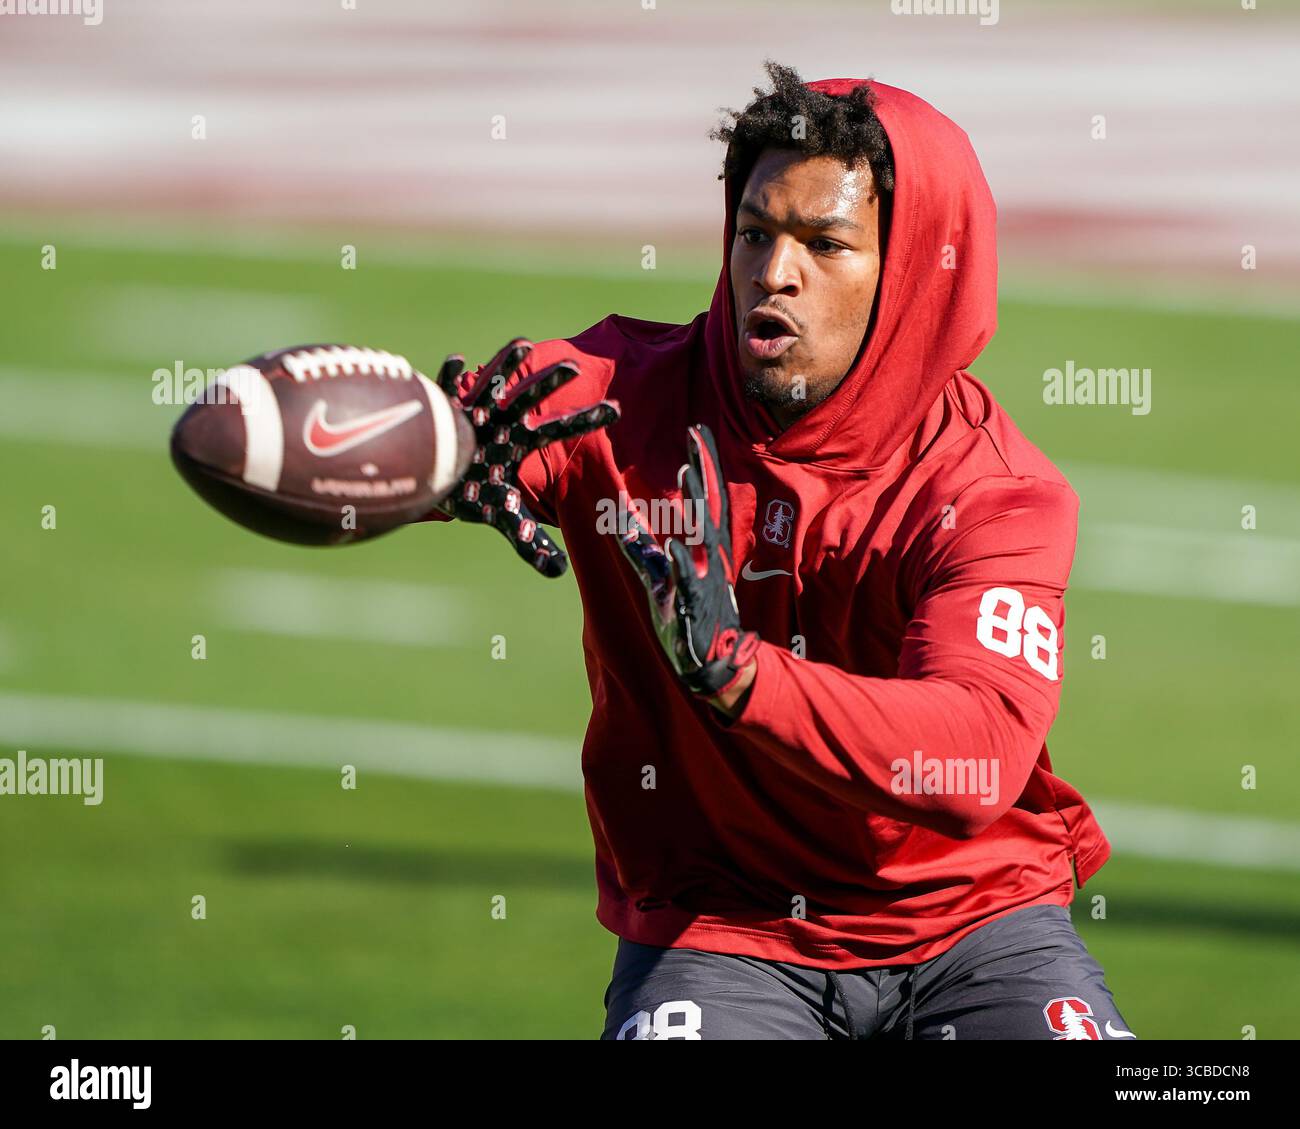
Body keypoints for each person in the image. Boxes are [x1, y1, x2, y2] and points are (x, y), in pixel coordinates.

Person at [426, 61, 1133, 1040]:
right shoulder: (620, 394)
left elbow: (971, 761)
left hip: (976, 922)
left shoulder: (996, 490)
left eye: (824, 242)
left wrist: (738, 676)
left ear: (915, 271)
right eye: (755, 232)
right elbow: (420, 434)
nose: (774, 270)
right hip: (727, 925)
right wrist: (424, 458)